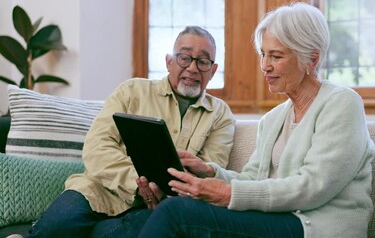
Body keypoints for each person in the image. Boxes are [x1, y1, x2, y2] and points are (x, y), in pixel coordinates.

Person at [137, 2, 375, 238]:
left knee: (176, 213)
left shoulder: (342, 103)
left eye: (276, 56)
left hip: (315, 228)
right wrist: (210, 172)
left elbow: (313, 186)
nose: (264, 66)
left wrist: (227, 194)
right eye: (263, 54)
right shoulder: (273, 119)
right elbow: (253, 180)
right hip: (275, 219)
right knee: (174, 209)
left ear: (311, 60)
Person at [25, 26, 236, 238]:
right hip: (96, 189)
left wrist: (163, 192)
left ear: (213, 69)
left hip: (154, 208)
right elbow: (97, 147)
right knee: (56, 227)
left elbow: (209, 174)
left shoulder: (220, 114)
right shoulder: (132, 91)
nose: (192, 68)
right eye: (184, 57)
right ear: (169, 61)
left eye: (203, 61)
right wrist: (137, 184)